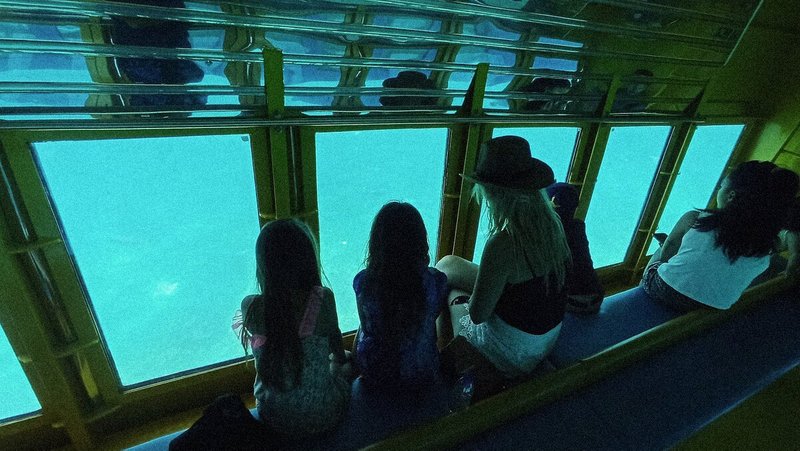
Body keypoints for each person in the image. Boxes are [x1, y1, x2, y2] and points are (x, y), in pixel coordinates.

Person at [436, 135, 571, 379]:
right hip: (546, 338)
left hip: (514, 355)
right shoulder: (553, 226)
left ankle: (448, 359)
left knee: (452, 293)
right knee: (448, 264)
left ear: (493, 193)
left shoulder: (503, 243)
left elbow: (477, 315)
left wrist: (468, 297)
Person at [234, 219, 350, 439]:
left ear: (264, 266)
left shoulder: (252, 307)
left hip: (273, 417)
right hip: (324, 417)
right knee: (346, 361)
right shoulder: (322, 298)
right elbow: (336, 350)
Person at [641, 161, 799, 312]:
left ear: (731, 195)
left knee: (663, 250)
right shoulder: (767, 245)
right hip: (714, 307)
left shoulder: (695, 219)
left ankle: (641, 284)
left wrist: (666, 261)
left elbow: (670, 246)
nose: (719, 190)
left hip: (665, 290)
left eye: (721, 186)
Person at [353, 202, 449, 390]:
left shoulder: (364, 283)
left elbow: (367, 324)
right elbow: (434, 313)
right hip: (421, 373)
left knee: (363, 327)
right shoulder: (435, 282)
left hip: (375, 373)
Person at [546, 182, 605, 314]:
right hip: (597, 298)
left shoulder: (548, 232)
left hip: (572, 302)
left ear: (553, 202)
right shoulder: (578, 226)